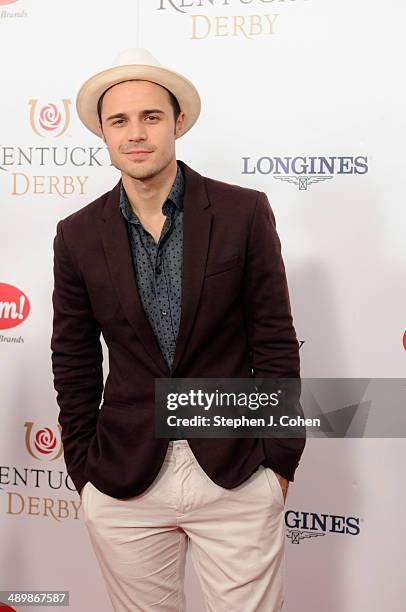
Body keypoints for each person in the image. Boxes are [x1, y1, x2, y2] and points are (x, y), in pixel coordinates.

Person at [51, 48, 306, 612]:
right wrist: (82, 467)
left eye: (151, 117)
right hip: (124, 477)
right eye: (119, 120)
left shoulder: (242, 212)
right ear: (102, 132)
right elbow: (74, 358)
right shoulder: (77, 234)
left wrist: (279, 458)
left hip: (236, 470)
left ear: (178, 123)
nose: (135, 133)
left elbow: (275, 340)